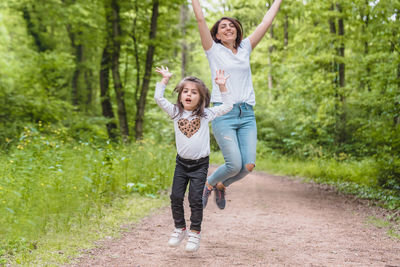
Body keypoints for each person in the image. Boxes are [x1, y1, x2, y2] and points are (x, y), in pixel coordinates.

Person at [191, 0, 283, 210]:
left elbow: (266, 22)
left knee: (247, 166)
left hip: (247, 114)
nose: (228, 28)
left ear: (237, 31)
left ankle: (221, 184)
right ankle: (209, 183)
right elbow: (200, 19)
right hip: (224, 113)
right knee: (234, 163)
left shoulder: (245, 48)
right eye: (223, 26)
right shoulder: (213, 50)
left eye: (231, 25)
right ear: (217, 35)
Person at [154, 66, 233, 252]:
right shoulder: (175, 112)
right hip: (181, 164)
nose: (189, 94)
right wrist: (164, 80)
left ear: (201, 98)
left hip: (199, 165)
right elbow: (158, 98)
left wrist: (222, 86)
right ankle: (180, 228)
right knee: (175, 196)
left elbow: (228, 106)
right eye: (185, 91)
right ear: (180, 96)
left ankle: (195, 233)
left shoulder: (206, 114)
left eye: (194, 92)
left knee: (195, 199)